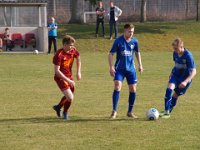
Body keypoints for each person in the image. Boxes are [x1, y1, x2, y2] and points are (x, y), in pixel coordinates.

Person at [108, 24, 143, 119]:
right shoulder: (118, 41)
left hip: (131, 69)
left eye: (132, 31)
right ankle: (114, 111)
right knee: (117, 86)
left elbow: (137, 52)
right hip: (119, 69)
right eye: (129, 31)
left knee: (133, 89)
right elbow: (111, 54)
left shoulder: (135, 41)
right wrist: (111, 67)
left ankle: (130, 112)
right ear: (125, 31)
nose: (131, 33)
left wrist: (140, 64)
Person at [160, 38, 196, 119]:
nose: (175, 50)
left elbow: (194, 71)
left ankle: (169, 111)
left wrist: (186, 82)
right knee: (169, 90)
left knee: (175, 95)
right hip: (176, 75)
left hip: (184, 78)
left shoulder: (188, 55)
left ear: (181, 46)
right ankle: (166, 111)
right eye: (174, 48)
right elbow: (176, 64)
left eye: (176, 48)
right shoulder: (175, 53)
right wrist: (171, 73)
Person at [53, 35, 81, 120]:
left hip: (69, 76)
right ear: (65, 44)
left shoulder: (73, 50)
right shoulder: (58, 55)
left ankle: (59, 108)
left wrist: (78, 72)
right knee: (70, 97)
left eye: (72, 45)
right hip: (60, 77)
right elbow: (57, 71)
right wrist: (68, 80)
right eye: (70, 45)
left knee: (69, 97)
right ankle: (64, 112)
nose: (72, 47)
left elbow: (78, 58)